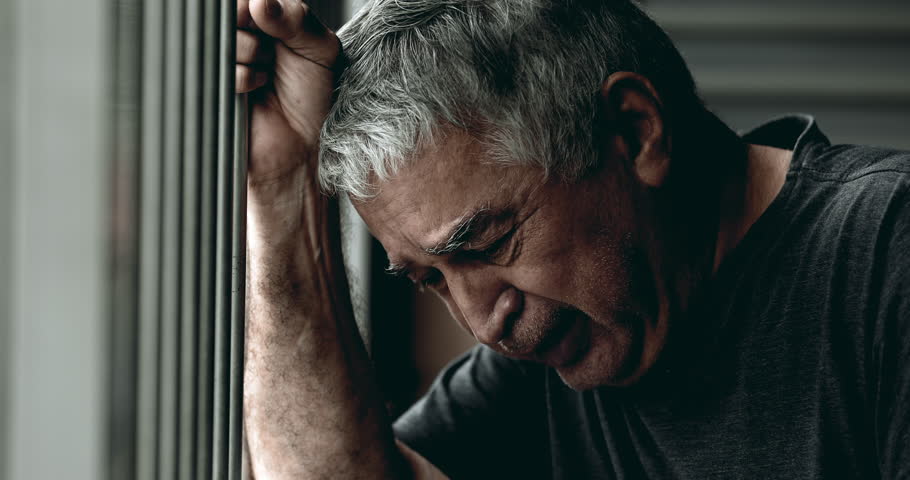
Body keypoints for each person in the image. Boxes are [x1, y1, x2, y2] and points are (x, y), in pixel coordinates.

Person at [236, 0, 910, 478]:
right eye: (432, 278)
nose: (481, 322)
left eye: (488, 243)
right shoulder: (564, 344)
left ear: (634, 129)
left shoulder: (887, 256)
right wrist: (282, 185)